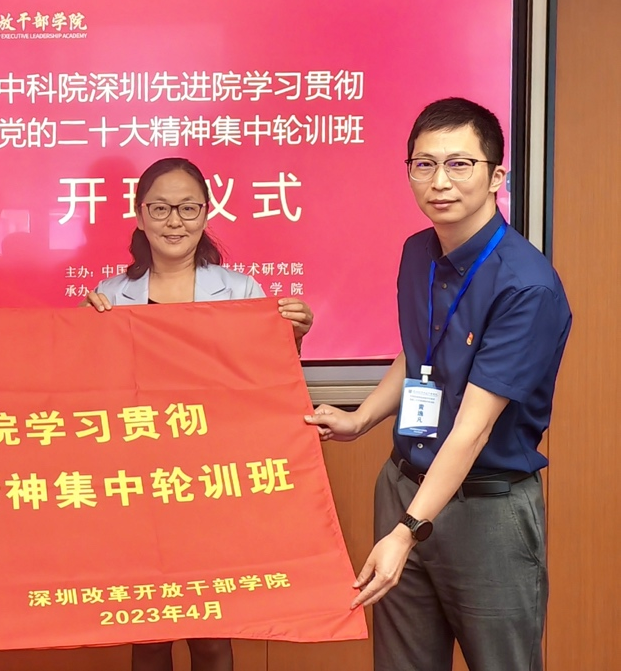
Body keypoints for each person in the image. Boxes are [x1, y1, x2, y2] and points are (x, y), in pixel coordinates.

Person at [306, 98, 571, 671]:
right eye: (423, 165)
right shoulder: (418, 251)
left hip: (486, 507)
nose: (439, 181)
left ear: (496, 176)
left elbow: (473, 430)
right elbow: (422, 352)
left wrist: (406, 532)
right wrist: (361, 418)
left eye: (459, 164)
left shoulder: (526, 285)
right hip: (403, 484)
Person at [85, 156, 314, 671]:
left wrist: (292, 337)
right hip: (138, 484)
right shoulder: (109, 298)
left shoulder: (242, 292)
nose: (175, 221)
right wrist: (78, 334)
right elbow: (88, 394)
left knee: (212, 632)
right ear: (139, 215)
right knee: (149, 634)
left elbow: (266, 387)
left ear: (207, 213)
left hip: (214, 484)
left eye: (188, 208)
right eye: (160, 208)